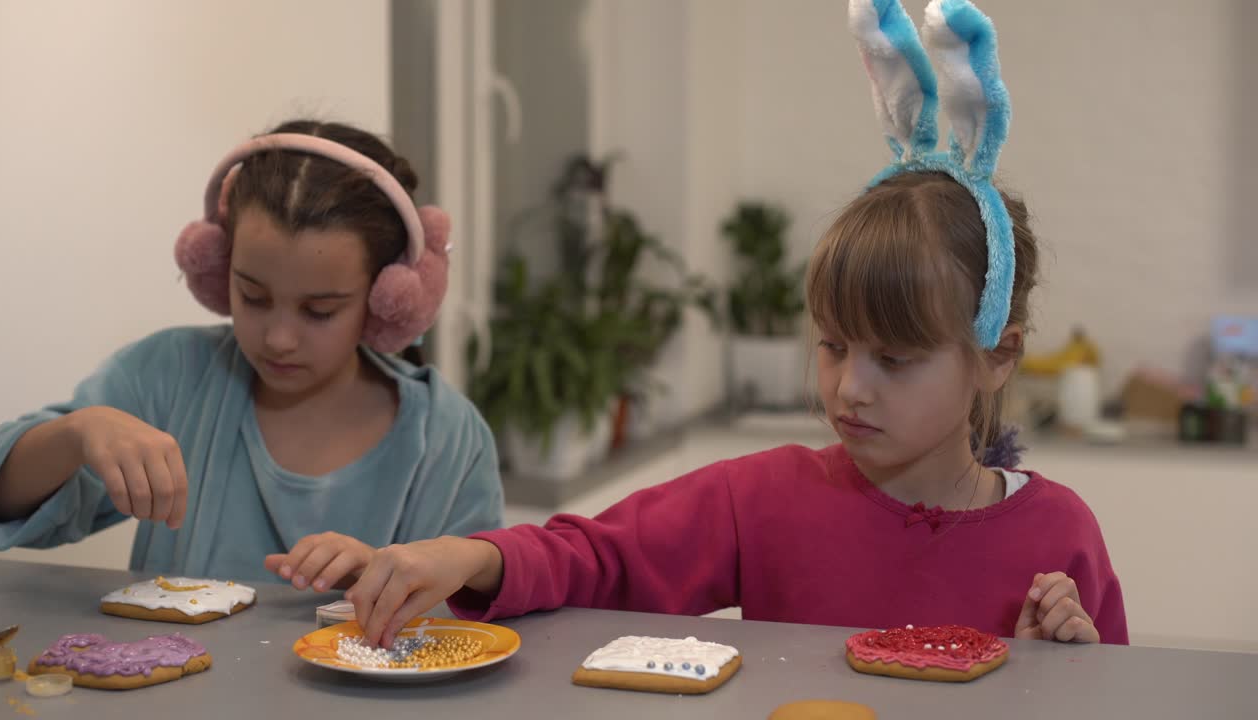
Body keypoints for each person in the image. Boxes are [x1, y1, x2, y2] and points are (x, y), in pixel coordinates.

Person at [339, 0, 1128, 649]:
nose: (849, 386)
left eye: (895, 358)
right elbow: (601, 557)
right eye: (831, 344)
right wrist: (466, 554)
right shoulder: (766, 497)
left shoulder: (1060, 537)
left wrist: (1068, 675)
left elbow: (1121, 695)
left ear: (997, 355)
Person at [0, 119, 503, 584]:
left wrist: (391, 583)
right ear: (216, 267)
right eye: (252, 295)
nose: (278, 338)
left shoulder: (447, 440)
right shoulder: (169, 378)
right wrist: (76, 434)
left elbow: (471, 620)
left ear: (388, 299)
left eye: (319, 311)